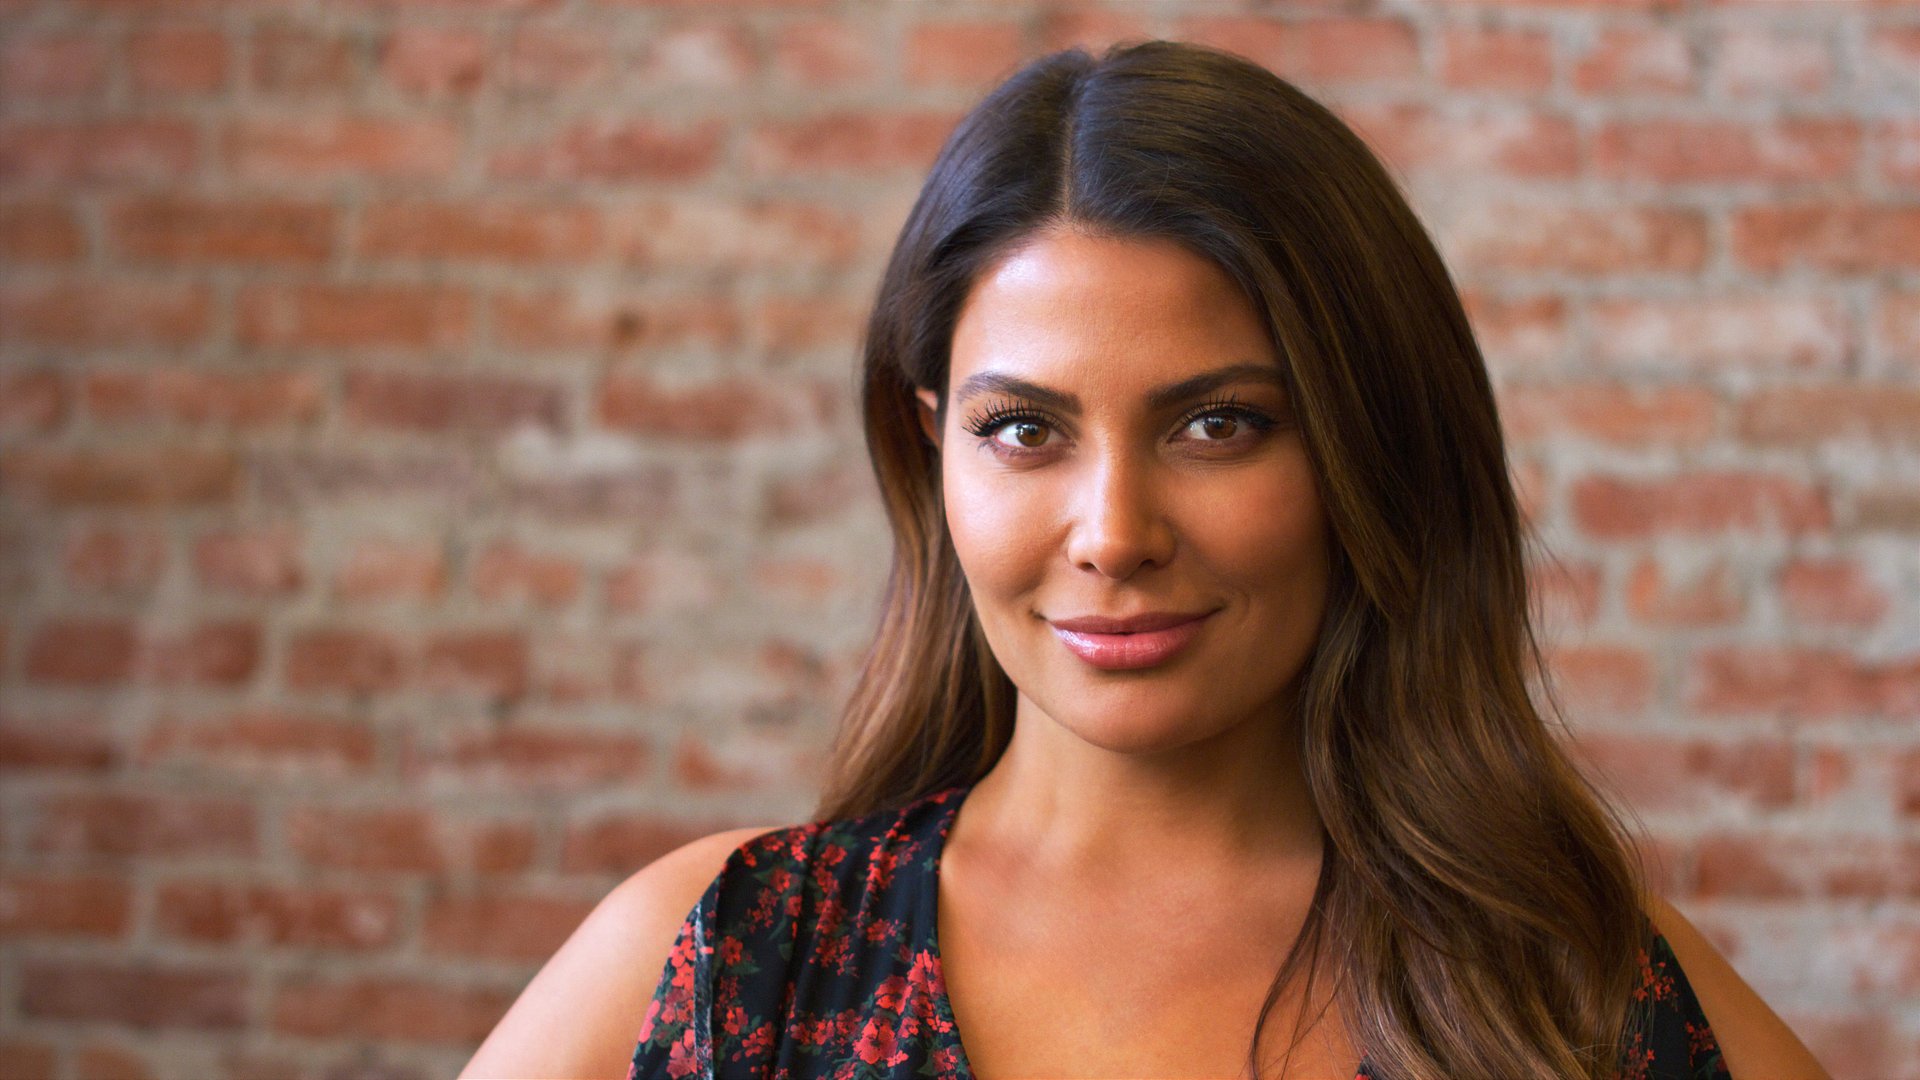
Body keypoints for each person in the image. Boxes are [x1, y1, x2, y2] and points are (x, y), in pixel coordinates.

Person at [461, 39, 1832, 1080]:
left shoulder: (1574, 992)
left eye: (1218, 424)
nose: (1114, 533)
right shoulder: (724, 963)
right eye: (1024, 430)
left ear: (1371, 448)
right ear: (932, 448)